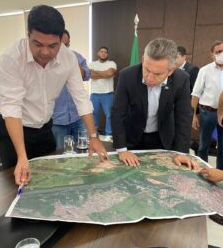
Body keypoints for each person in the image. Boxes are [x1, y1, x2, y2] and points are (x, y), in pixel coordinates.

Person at [0, 5, 108, 185]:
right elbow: (11, 107)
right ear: (28, 35)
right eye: (37, 44)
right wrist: (21, 156)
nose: (45, 52)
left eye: (53, 46)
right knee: (18, 185)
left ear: (61, 39)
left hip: (44, 127)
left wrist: (93, 137)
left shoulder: (68, 59)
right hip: (13, 128)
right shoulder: (11, 59)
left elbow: (80, 98)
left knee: (49, 181)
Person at [111, 37, 197, 168]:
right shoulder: (127, 75)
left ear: (171, 71)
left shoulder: (182, 79)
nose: (149, 78)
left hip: (162, 138)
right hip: (131, 138)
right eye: (146, 69)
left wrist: (181, 152)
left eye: (157, 74)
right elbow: (117, 113)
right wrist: (122, 150)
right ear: (143, 59)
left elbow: (183, 116)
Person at [52, 29, 90, 149]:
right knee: (60, 155)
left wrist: (76, 67)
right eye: (61, 45)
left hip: (78, 116)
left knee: (84, 151)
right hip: (57, 120)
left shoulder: (75, 56)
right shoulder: (47, 61)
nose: (64, 49)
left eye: (66, 45)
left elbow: (87, 74)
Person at [191, 40, 223, 169]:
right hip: (207, 113)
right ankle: (202, 170)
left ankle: (220, 174)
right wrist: (193, 116)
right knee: (204, 145)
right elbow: (195, 94)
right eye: (219, 51)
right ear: (212, 54)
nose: (222, 54)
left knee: (222, 147)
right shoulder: (205, 70)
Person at [90, 46, 117, 142]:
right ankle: (95, 134)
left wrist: (96, 73)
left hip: (108, 94)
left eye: (105, 52)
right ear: (98, 53)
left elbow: (110, 73)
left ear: (107, 54)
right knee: (93, 115)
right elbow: (91, 75)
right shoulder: (92, 64)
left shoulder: (112, 63)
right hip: (94, 94)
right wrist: (104, 74)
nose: (103, 53)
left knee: (109, 115)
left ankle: (109, 134)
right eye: (101, 52)